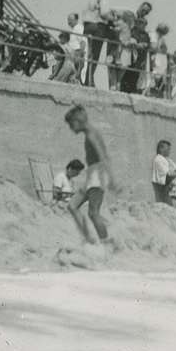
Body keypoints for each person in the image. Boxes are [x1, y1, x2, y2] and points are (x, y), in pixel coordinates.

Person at [64, 105, 114, 246]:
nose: (70, 128)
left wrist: (113, 180)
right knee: (72, 206)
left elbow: (104, 158)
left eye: (70, 124)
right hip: (92, 175)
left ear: (77, 120)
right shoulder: (89, 134)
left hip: (98, 175)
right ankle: (89, 239)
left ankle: (106, 245)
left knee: (93, 213)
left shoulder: (92, 134)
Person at [81, 0, 116, 87]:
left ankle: (85, 78)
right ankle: (89, 79)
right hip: (98, 26)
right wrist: (113, 19)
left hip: (87, 25)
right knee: (95, 55)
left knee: (89, 54)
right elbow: (104, 13)